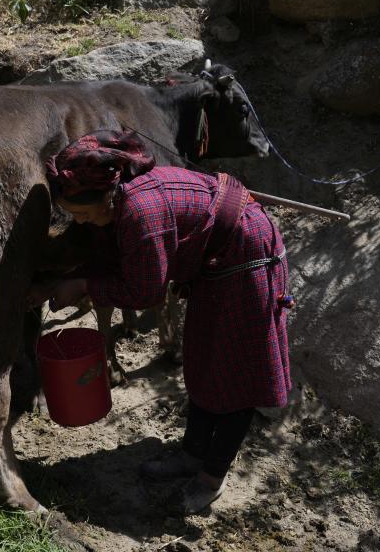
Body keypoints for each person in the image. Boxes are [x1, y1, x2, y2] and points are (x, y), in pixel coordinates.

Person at [31, 130, 292, 514]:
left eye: (84, 214)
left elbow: (145, 292)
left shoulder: (140, 213)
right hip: (215, 264)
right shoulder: (119, 203)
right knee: (203, 363)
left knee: (236, 378)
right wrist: (61, 281)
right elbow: (118, 260)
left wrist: (85, 285)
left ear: (106, 196)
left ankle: (211, 478)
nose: (82, 223)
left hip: (247, 259)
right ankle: (191, 454)